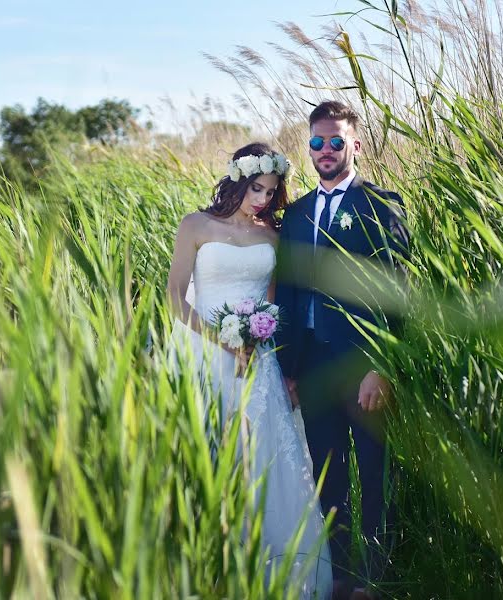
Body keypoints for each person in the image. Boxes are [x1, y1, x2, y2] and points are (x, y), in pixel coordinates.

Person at [166, 142, 333, 599]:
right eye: (255, 188)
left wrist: (259, 342)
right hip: (202, 351)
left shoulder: (274, 238)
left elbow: (273, 305)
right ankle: (205, 568)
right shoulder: (196, 226)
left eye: (271, 191)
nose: (261, 199)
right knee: (208, 449)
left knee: (263, 458)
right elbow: (175, 298)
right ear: (237, 180)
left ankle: (270, 572)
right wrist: (221, 338)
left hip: (256, 361)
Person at [274, 101, 410, 599]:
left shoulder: (381, 205)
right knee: (327, 477)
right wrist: (286, 368)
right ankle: (340, 577)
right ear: (308, 147)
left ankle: (377, 578)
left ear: (355, 145)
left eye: (336, 141)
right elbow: (287, 291)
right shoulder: (297, 213)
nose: (325, 151)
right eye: (317, 142)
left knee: (374, 472)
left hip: (361, 365)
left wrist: (382, 365)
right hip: (310, 368)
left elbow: (396, 291)